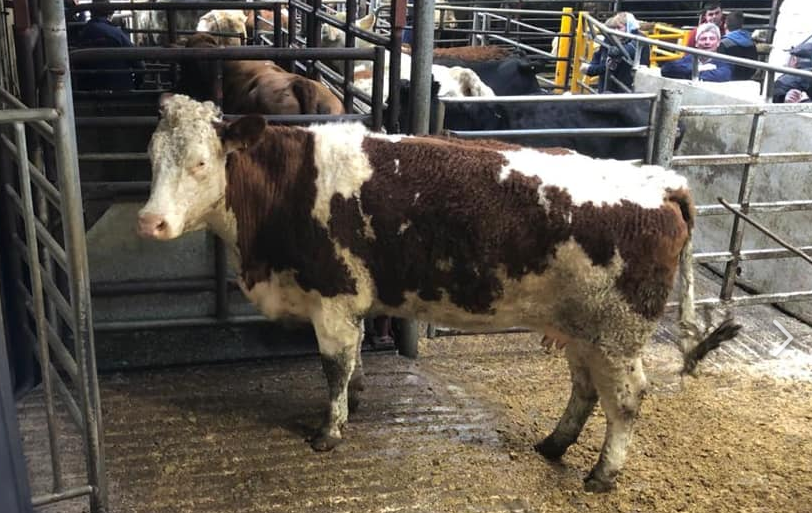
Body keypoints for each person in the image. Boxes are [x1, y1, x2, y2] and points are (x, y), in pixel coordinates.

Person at [73, 0, 143, 91]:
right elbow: (138, 63)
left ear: (91, 12)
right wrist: (137, 85)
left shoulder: (83, 34)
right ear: (110, 13)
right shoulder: (116, 33)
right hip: (121, 90)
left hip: (89, 90)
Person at [580, 12, 650, 93]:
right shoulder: (611, 38)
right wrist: (590, 68)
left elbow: (629, 50)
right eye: (614, 28)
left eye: (619, 28)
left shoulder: (638, 38)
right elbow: (599, 57)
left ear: (629, 26)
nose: (616, 31)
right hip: (609, 86)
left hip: (629, 87)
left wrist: (591, 69)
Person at [661, 22, 733, 82]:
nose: (707, 42)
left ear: (718, 43)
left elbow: (723, 76)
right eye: (703, 39)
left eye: (712, 39)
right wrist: (699, 68)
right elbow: (666, 69)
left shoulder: (724, 62)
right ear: (696, 43)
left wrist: (686, 73)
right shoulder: (689, 58)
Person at [718, 10, 758, 80]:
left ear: (725, 25)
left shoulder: (723, 43)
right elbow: (754, 66)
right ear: (741, 25)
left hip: (728, 81)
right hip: (746, 79)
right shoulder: (751, 42)